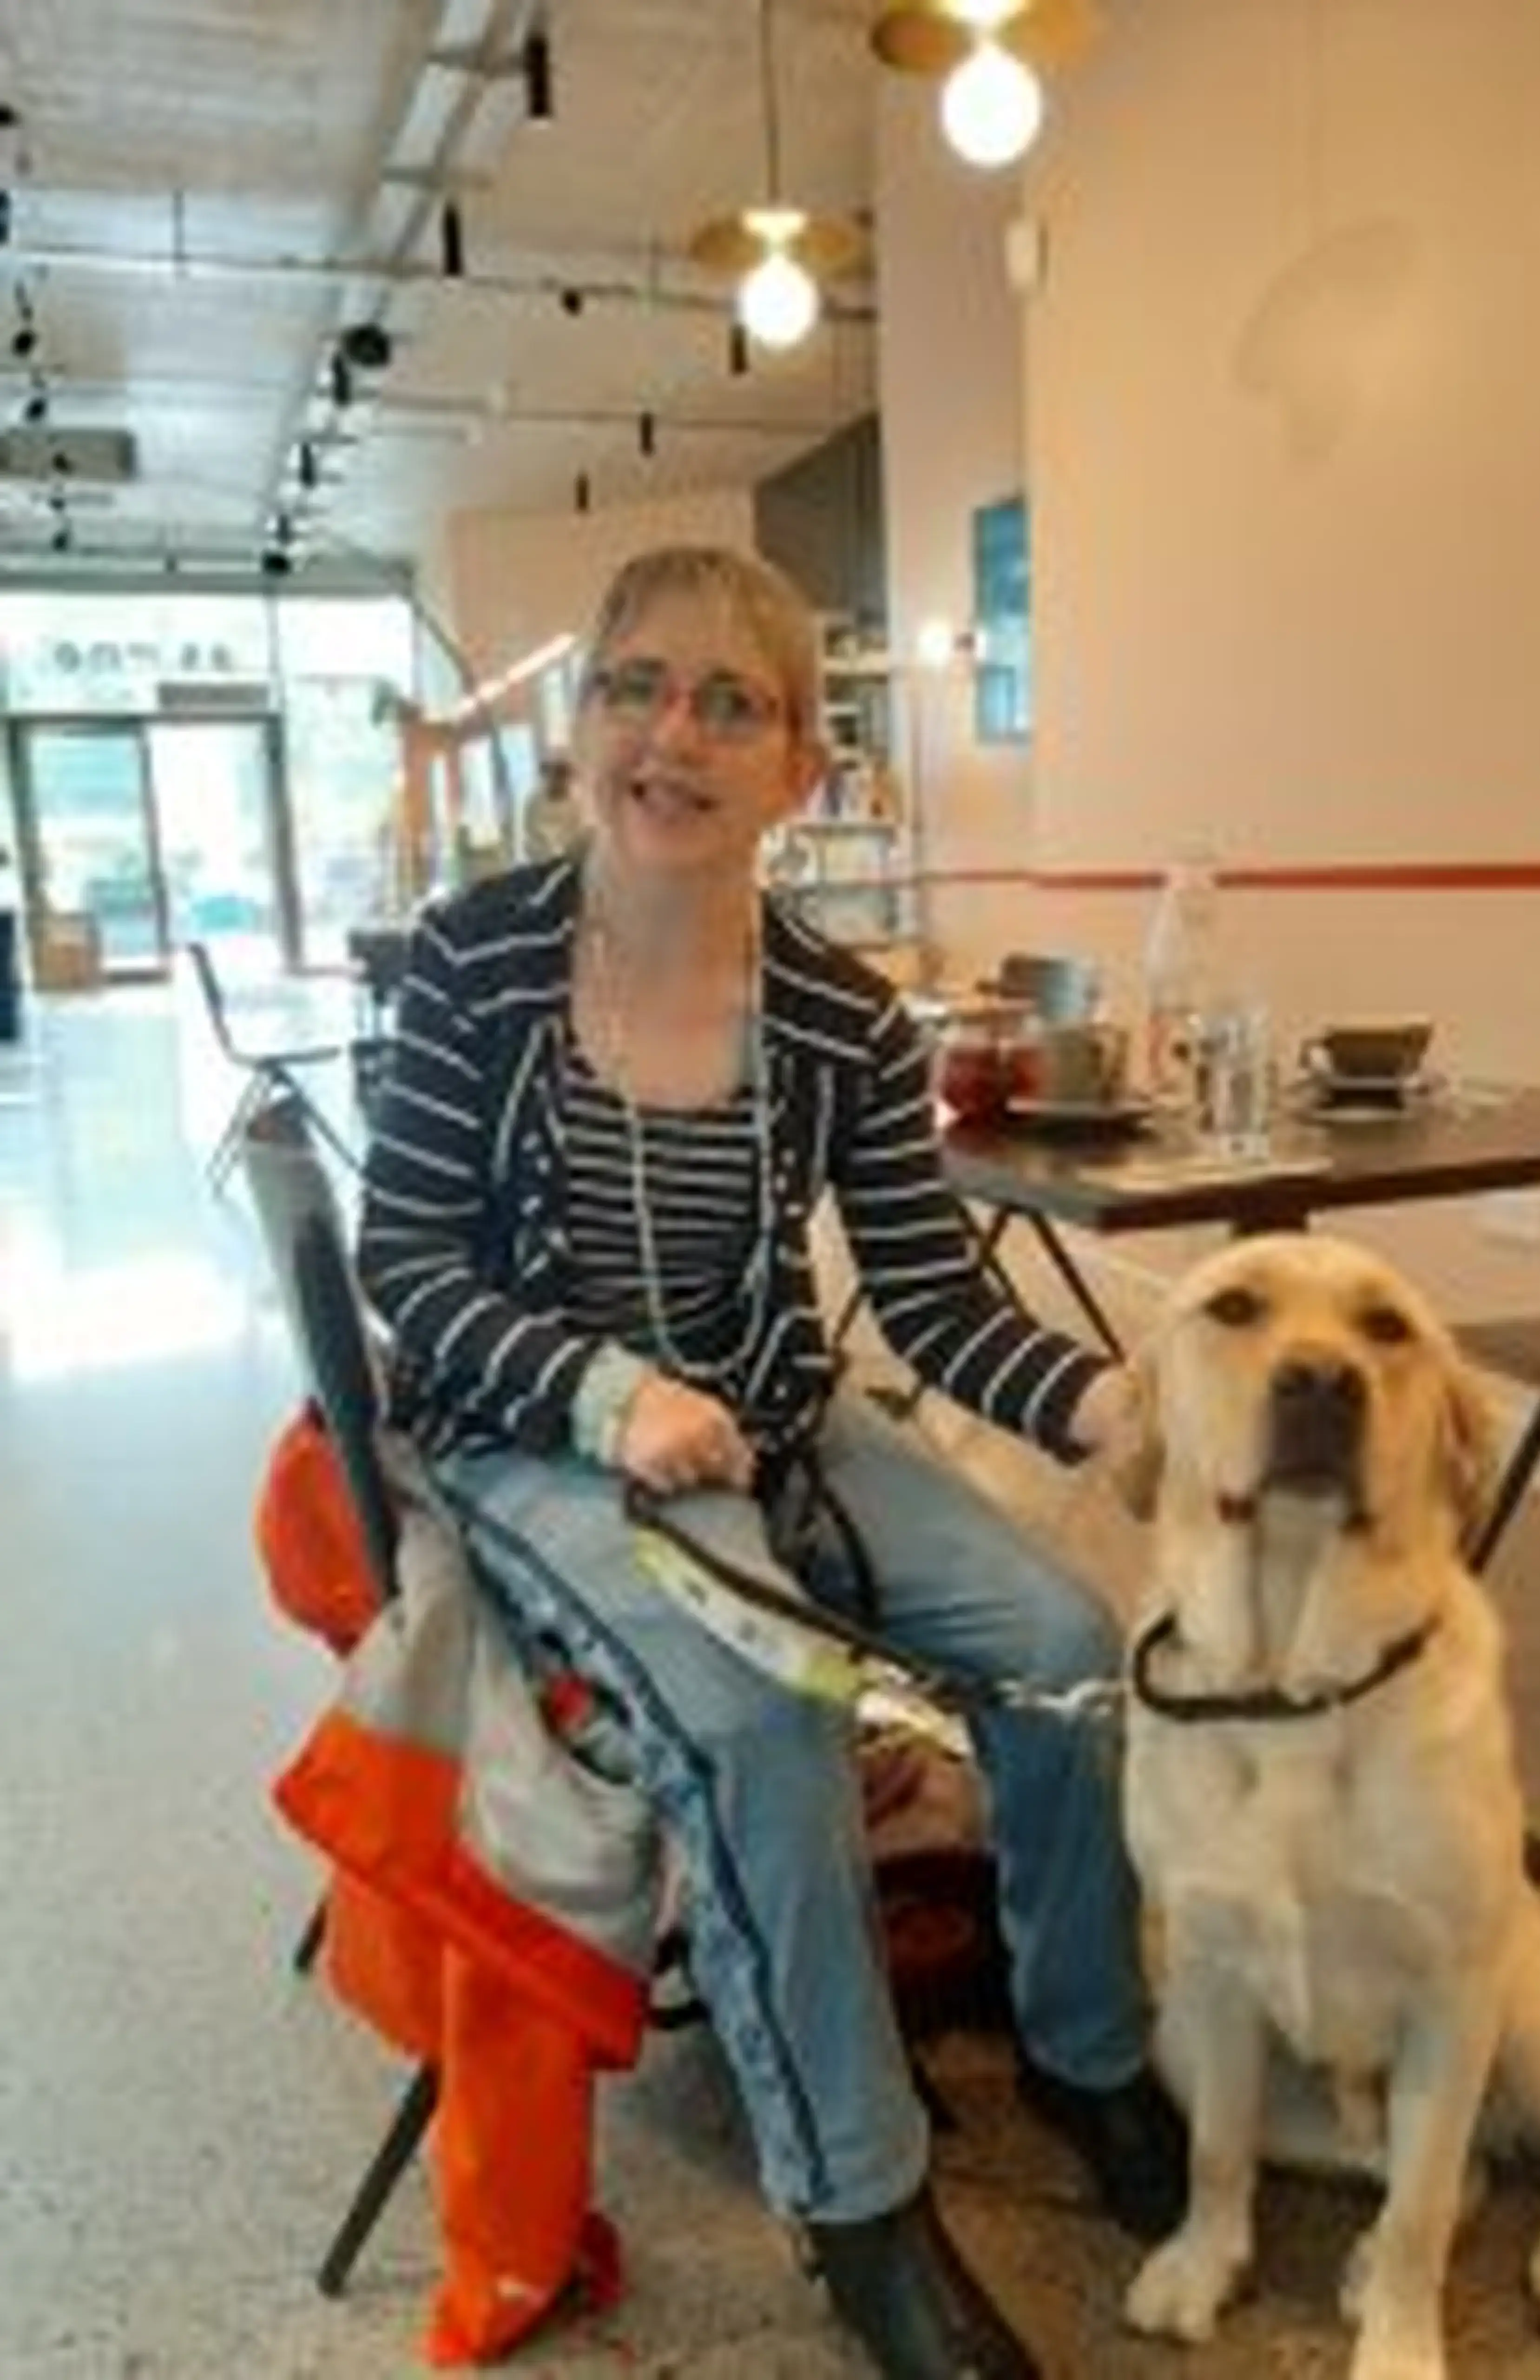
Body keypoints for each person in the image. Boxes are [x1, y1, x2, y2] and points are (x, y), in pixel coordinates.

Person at [357, 546, 1182, 2378]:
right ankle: (863, 2201)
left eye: (733, 701)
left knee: (1062, 1637)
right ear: (582, 733)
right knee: (762, 1717)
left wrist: (1119, 1405)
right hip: (542, 1448)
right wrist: (600, 1394)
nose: (677, 732)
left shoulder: (841, 1020)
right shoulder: (477, 965)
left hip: (775, 1422)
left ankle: (1088, 2047)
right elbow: (403, 1262)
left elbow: (937, 1306)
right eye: (637, 686)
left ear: (798, 767)